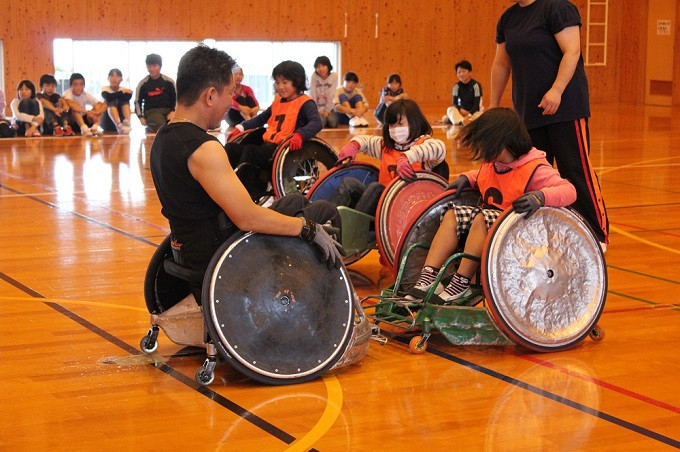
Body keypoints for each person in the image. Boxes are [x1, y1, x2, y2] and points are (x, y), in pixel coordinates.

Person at [150, 45, 343, 303]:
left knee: (295, 201)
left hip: (191, 247)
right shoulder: (204, 149)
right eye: (229, 93)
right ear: (210, 95)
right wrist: (307, 228)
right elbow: (248, 218)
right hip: (227, 255)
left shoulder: (164, 136)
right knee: (324, 214)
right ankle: (321, 311)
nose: (231, 101)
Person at [408, 107, 576, 305]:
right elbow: (481, 176)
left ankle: (461, 283)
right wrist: (466, 178)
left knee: (481, 219)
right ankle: (429, 277)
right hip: (492, 227)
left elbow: (569, 190)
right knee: (453, 214)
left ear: (502, 141)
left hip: (518, 236)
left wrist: (540, 197)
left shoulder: (535, 168)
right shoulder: (494, 164)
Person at [489, 0, 609, 248]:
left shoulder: (557, 8)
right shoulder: (508, 19)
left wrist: (556, 90)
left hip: (565, 108)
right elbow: (501, 64)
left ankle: (596, 234)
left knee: (575, 170)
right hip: (527, 112)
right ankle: (549, 235)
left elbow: (572, 51)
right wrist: (493, 105)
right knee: (536, 176)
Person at [225, 60, 322, 200]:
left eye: (284, 82)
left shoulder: (305, 102)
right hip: (267, 147)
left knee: (251, 152)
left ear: (297, 81)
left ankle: (247, 196)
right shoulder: (278, 102)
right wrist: (239, 128)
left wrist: (300, 135)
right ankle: (225, 187)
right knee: (231, 149)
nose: (280, 87)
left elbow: (316, 123)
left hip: (284, 150)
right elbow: (260, 119)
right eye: (277, 82)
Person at [332, 98, 446, 215]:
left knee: (375, 188)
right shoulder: (385, 146)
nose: (396, 129)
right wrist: (354, 146)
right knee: (348, 183)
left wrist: (407, 157)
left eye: (400, 123)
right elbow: (365, 140)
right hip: (384, 205)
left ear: (414, 122)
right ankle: (331, 222)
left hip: (409, 207)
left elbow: (440, 149)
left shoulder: (425, 145)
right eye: (392, 125)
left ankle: (354, 224)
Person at [135, 53, 177, 133]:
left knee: (177, 126)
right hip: (152, 111)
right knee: (163, 129)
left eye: (154, 66)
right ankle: (152, 126)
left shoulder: (169, 82)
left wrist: (173, 111)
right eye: (149, 66)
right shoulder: (143, 84)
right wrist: (140, 117)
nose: (152, 69)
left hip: (168, 110)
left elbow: (176, 98)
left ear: (160, 66)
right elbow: (137, 102)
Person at [443, 60, 483, 126]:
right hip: (461, 112)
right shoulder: (456, 86)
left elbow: (476, 104)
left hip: (473, 112)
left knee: (479, 116)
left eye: (463, 71)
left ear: (470, 73)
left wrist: (469, 114)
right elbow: (454, 103)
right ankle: (462, 121)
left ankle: (454, 120)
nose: (461, 74)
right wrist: (461, 109)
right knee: (450, 109)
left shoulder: (476, 85)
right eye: (459, 72)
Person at [100, 68, 133, 134]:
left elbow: (128, 97)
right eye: (112, 76)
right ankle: (119, 125)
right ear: (108, 78)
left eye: (117, 76)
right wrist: (123, 92)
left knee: (125, 102)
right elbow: (109, 97)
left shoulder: (123, 89)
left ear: (121, 79)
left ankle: (127, 124)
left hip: (122, 119)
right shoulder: (104, 89)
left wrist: (124, 92)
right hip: (107, 122)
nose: (114, 79)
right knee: (111, 101)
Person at [310, 56, 338, 128]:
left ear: (328, 66)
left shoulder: (334, 76)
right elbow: (312, 94)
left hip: (329, 108)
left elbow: (332, 94)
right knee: (321, 123)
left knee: (333, 123)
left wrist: (327, 110)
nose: (321, 69)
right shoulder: (314, 76)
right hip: (317, 108)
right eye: (318, 66)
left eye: (323, 66)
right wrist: (319, 111)